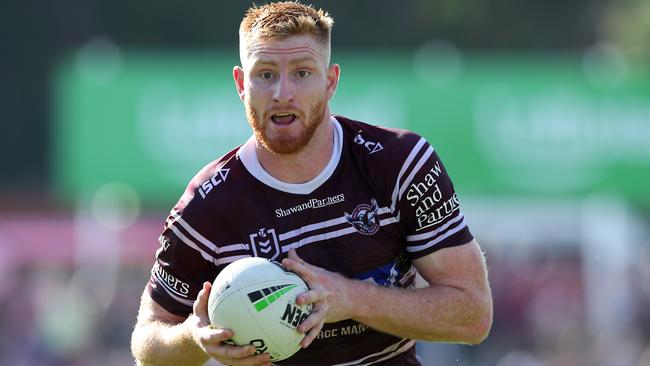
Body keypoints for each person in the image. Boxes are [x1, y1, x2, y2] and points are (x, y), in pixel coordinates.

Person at [130, 2, 493, 365]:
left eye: (302, 73)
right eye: (266, 74)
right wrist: (193, 338)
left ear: (331, 80)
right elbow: (148, 342)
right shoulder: (207, 206)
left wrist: (349, 299)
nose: (281, 93)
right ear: (242, 84)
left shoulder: (399, 163)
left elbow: (473, 315)